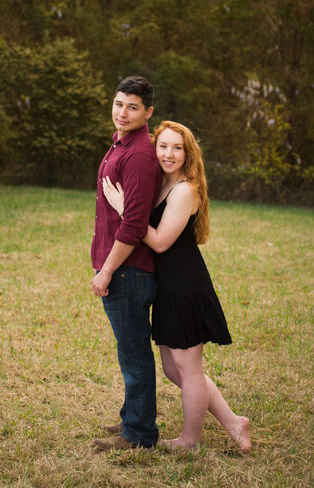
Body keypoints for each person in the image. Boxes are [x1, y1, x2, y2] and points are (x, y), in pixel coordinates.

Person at [102, 120, 251, 453]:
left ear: (188, 153)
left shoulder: (185, 189)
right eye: (163, 146)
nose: (168, 154)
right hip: (168, 285)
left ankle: (189, 440)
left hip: (185, 286)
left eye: (177, 148)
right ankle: (233, 422)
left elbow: (159, 242)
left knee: (189, 369)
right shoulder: (163, 185)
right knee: (174, 369)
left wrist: (125, 210)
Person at [91, 76, 162, 451]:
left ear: (148, 112)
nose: (122, 112)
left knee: (134, 353)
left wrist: (106, 271)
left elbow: (133, 225)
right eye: (119, 104)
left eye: (132, 107)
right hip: (120, 268)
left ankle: (139, 434)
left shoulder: (137, 155)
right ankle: (132, 418)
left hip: (127, 272)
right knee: (129, 350)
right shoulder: (121, 145)